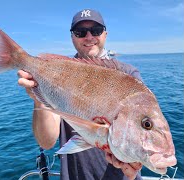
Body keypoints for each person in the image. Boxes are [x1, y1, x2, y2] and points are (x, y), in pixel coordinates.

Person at [18, 9, 143, 180]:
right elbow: (46, 142)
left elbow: (141, 130)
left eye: (96, 30)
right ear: (72, 37)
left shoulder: (128, 74)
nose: (89, 37)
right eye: (80, 32)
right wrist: (39, 96)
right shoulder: (59, 73)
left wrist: (135, 161)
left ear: (105, 34)